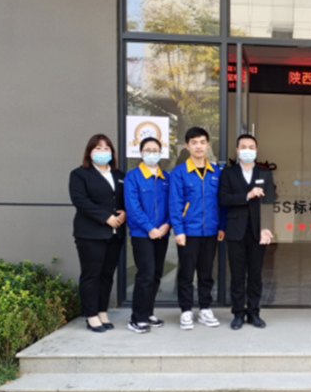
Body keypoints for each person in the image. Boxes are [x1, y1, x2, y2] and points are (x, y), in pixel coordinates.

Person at [169, 127, 226, 331]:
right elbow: (175, 203)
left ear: (208, 145)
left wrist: (221, 226)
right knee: (186, 273)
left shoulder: (216, 172)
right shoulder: (179, 172)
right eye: (194, 142)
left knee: (206, 273)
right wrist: (178, 230)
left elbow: (221, 203)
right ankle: (186, 310)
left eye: (202, 142)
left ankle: (204, 309)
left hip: (211, 231)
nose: (199, 146)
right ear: (187, 146)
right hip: (188, 232)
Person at [68, 134, 126, 333]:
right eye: (98, 148)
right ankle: (91, 315)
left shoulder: (119, 175)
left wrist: (125, 213)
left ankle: (102, 311)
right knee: (91, 274)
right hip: (90, 234)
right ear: (90, 152)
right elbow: (80, 200)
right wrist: (105, 217)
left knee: (107, 275)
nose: (103, 152)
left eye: (106, 148)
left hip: (115, 234)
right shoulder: (79, 174)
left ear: (112, 152)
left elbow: (126, 199)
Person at [219, 134, 275, 330]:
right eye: (243, 147)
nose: (247, 150)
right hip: (235, 231)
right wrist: (247, 195)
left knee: (255, 275)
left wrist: (266, 227)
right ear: (237, 150)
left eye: (251, 147)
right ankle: (238, 313)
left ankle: (253, 313)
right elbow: (223, 199)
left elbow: (268, 202)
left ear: (256, 150)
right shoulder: (228, 173)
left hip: (258, 231)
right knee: (237, 275)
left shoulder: (264, 173)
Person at [124, 137, 171, 334]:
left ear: (161, 152)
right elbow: (133, 206)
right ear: (141, 153)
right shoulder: (133, 176)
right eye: (148, 150)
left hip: (162, 233)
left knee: (157, 274)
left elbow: (173, 203)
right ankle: (137, 318)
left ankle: (148, 311)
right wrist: (150, 228)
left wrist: (167, 224)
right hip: (142, 234)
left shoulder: (166, 177)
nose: (152, 153)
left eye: (155, 150)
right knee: (146, 274)